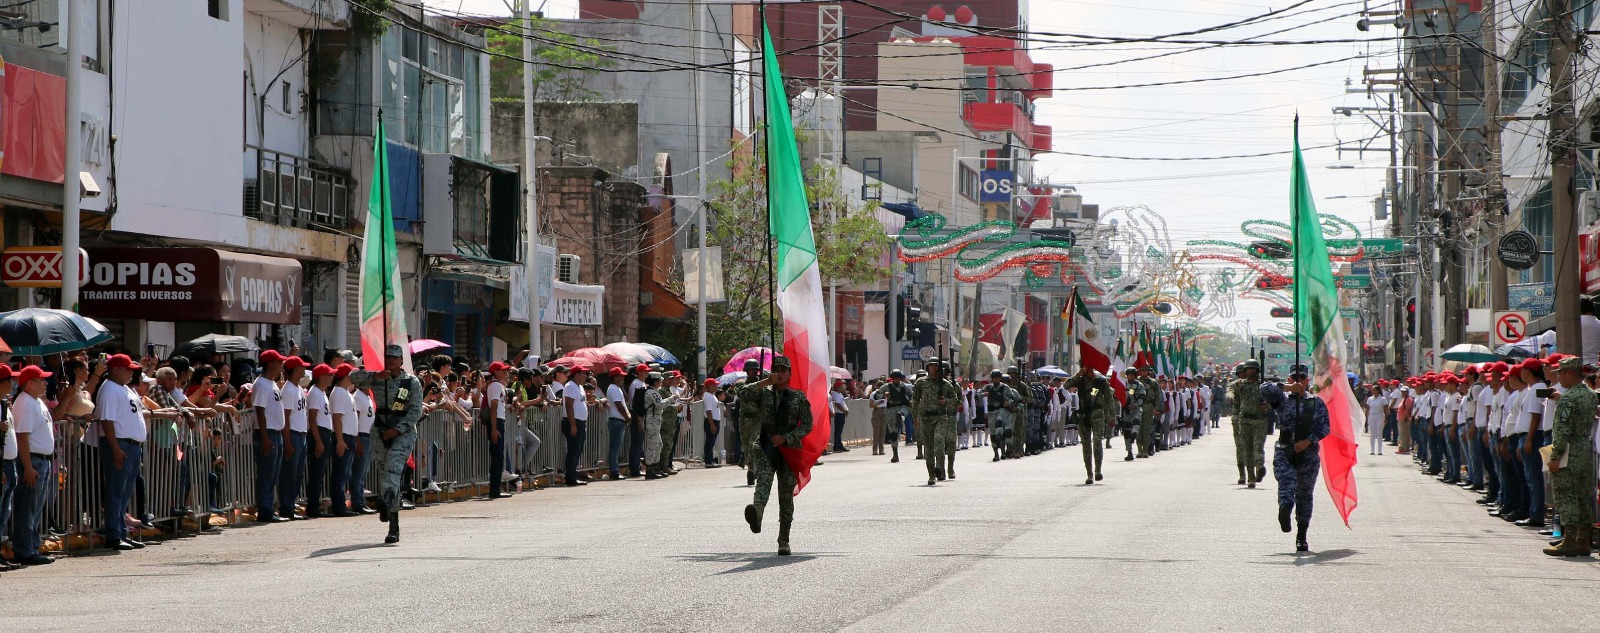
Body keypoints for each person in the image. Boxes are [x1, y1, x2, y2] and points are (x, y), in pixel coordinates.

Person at [739, 356, 813, 556]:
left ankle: (784, 540)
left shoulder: (797, 397)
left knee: (785, 496)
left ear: (789, 374)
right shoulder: (764, 392)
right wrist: (765, 382)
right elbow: (742, 393)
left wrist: (787, 437)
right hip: (765, 445)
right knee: (763, 482)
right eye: (776, 369)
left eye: (783, 370)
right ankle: (757, 515)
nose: (779, 373)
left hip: (788, 450)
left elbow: (807, 425)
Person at [366, 344, 423, 544]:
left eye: (395, 358)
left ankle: (389, 510)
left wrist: (397, 430)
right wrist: (373, 376)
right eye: (388, 357)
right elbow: (351, 378)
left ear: (401, 360)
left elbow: (416, 410)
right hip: (380, 430)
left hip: (403, 432)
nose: (391, 360)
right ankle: (391, 516)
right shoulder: (377, 377)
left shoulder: (411, 382)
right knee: (386, 473)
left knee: (393, 468)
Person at [1273, 365, 1330, 553]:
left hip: (1308, 453)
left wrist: (1308, 441)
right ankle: (1285, 509)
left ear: (1307, 381)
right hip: (1285, 449)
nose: (1298, 380)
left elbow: (1325, 428)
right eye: (1294, 378)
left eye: (1302, 378)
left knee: (1304, 494)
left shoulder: (1316, 403)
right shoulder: (1281, 399)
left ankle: (1302, 536)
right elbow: (1263, 389)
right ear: (1289, 379)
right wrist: (1288, 389)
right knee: (1286, 482)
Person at [94, 355, 147, 551]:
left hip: (132, 445)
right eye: (127, 369)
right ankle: (113, 534)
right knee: (116, 491)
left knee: (124, 493)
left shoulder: (124, 388)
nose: (132, 372)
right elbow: (106, 421)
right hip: (120, 444)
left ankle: (121, 531)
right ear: (115, 369)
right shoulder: (109, 389)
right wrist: (115, 448)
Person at [1544, 356, 1595, 556]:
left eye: (1560, 373)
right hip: (1583, 447)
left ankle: (1570, 540)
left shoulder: (1569, 398)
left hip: (1569, 449)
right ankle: (1583, 540)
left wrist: (1555, 456)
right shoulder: (1590, 395)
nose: (1559, 378)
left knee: (1566, 493)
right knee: (1582, 494)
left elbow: (1563, 429)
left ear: (1569, 373)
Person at [9, 365, 58, 565]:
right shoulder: (25, 403)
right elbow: (22, 437)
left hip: (42, 460)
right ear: (30, 383)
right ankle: (24, 550)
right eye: (41, 380)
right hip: (33, 461)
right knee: (28, 507)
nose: (45, 383)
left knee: (36, 508)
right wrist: (28, 467)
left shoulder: (35, 401)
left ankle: (31, 547)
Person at [251, 350, 288, 523]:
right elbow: (260, 410)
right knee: (266, 474)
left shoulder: (272, 383)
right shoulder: (261, 384)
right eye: (278, 361)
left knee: (273, 474)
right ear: (270, 363)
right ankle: (264, 510)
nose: (281, 364)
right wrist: (265, 437)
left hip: (276, 432)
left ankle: (269, 507)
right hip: (267, 433)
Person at [1064, 364, 1115, 484]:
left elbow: (1109, 399)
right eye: (1088, 368)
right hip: (1083, 416)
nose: (1090, 371)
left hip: (1097, 415)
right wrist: (1078, 375)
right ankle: (1089, 474)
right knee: (1086, 445)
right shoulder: (1080, 380)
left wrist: (1112, 417)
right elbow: (1066, 386)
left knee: (1097, 442)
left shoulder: (1100, 381)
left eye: (1092, 368)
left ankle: (1098, 470)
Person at [912, 360, 960, 485]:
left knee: (939, 442)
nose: (934, 368)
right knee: (928, 447)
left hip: (940, 417)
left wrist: (946, 401)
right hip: (925, 418)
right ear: (928, 368)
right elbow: (915, 401)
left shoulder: (945, 383)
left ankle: (940, 467)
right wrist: (915, 417)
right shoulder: (920, 382)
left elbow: (955, 399)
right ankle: (931, 475)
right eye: (931, 365)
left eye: (936, 365)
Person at [276, 356, 309, 521]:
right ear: (295, 370)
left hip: (301, 434)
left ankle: (291, 504)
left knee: (297, 474)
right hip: (293, 435)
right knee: (289, 473)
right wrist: (287, 442)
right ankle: (286, 507)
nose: (304, 370)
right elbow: (286, 418)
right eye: (302, 367)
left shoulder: (298, 389)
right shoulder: (288, 389)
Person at [1229, 360, 1268, 487]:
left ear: (1257, 371)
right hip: (1244, 421)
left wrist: (1268, 406)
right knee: (1247, 450)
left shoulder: (1263, 385)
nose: (1251, 371)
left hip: (1259, 421)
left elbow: (1274, 399)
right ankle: (1251, 477)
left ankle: (1260, 467)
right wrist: (1231, 397)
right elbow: (1230, 390)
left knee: (1258, 446)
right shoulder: (1240, 385)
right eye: (1248, 369)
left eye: (1253, 369)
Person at [327, 365, 358, 516]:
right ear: (347, 376)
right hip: (343, 436)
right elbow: (337, 418)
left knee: (343, 473)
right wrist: (340, 440)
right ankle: (338, 507)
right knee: (340, 473)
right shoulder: (339, 392)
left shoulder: (345, 392)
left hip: (348, 436)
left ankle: (341, 505)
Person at [485, 361, 514, 496]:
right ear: (496, 371)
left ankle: (496, 488)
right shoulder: (495, 385)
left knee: (499, 457)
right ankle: (495, 490)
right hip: (496, 422)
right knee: (497, 458)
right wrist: (494, 428)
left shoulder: (498, 385)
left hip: (498, 421)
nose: (506, 373)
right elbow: (494, 407)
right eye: (503, 370)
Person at [982, 370, 1022, 462]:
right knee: (993, 434)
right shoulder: (988, 387)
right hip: (991, 412)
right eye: (994, 378)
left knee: (1002, 432)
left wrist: (1009, 403)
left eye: (997, 378)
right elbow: (978, 393)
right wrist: (985, 394)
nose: (996, 380)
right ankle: (996, 453)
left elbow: (1015, 399)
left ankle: (1005, 451)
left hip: (1002, 412)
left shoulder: (1006, 388)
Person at [562, 366, 592, 485]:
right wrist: (573, 425)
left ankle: (573, 473)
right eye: (583, 373)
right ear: (576, 374)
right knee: (573, 450)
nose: (585, 376)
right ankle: (570, 476)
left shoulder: (579, 387)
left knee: (578, 449)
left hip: (580, 421)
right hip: (573, 422)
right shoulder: (570, 386)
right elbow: (569, 406)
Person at [876, 370, 912, 463]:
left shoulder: (905, 387)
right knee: (893, 434)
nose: (896, 380)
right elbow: (876, 395)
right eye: (895, 378)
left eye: (898, 378)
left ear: (900, 378)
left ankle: (901, 418)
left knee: (902, 412)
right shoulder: (886, 387)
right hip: (891, 409)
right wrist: (884, 395)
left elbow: (912, 396)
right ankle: (895, 454)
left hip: (902, 407)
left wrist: (911, 402)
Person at [603, 367, 631, 481]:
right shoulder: (614, 388)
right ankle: (614, 471)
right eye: (620, 376)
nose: (623, 378)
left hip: (617, 420)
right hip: (616, 420)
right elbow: (619, 405)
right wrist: (627, 417)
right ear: (615, 377)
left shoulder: (616, 388)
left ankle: (615, 470)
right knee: (615, 447)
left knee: (616, 447)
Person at [702, 379, 723, 468]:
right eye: (714, 385)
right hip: (712, 421)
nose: (716, 386)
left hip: (715, 421)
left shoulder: (712, 395)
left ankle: (710, 460)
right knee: (709, 442)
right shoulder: (708, 396)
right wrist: (712, 424)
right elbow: (708, 411)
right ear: (709, 386)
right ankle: (708, 461)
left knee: (711, 442)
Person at [1364, 383, 1388, 456]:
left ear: (1378, 391)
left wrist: (1386, 417)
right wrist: (1366, 417)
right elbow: (1367, 409)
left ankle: (1380, 450)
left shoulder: (1383, 399)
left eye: (1374, 389)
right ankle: (1372, 450)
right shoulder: (1370, 399)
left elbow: (1386, 409)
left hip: (1380, 416)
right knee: (1373, 434)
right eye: (1372, 390)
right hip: (1372, 416)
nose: (1372, 391)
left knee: (1379, 433)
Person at [829, 380, 850, 453]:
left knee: (840, 430)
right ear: (838, 387)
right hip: (839, 413)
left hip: (842, 413)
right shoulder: (835, 393)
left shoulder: (840, 394)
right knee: (838, 430)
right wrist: (844, 411)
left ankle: (839, 444)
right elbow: (838, 404)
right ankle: (837, 446)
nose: (844, 387)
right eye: (842, 386)